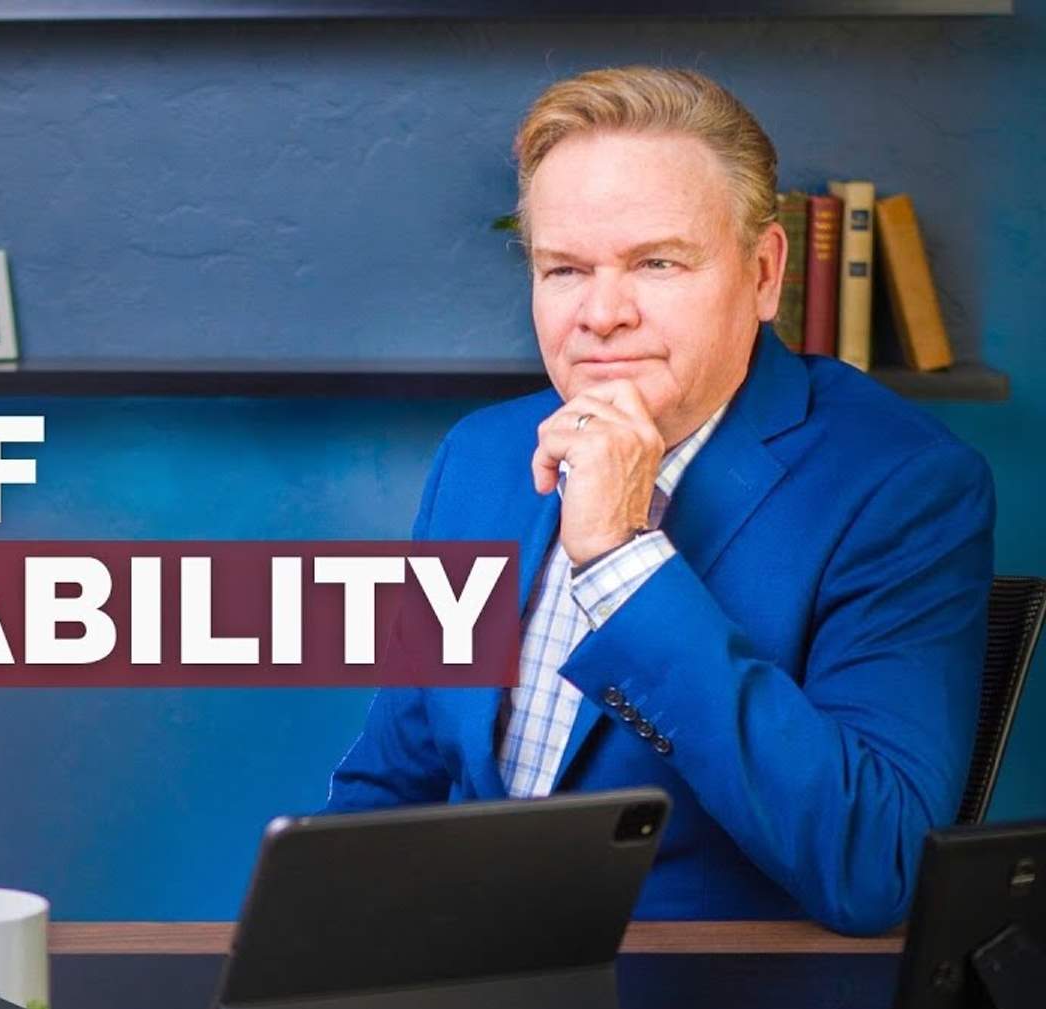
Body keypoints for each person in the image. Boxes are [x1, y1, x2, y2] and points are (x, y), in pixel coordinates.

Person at [324, 66, 994, 937]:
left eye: (657, 263)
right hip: (458, 1002)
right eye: (565, 269)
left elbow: (878, 866)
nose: (603, 314)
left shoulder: (904, 488)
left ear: (763, 275)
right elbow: (392, 781)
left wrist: (621, 557)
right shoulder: (482, 458)